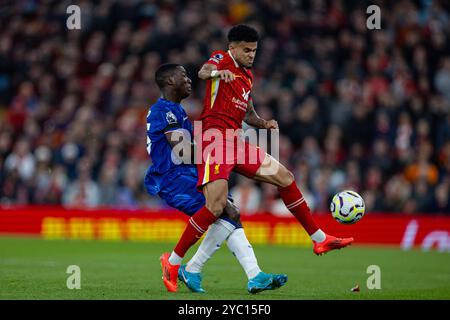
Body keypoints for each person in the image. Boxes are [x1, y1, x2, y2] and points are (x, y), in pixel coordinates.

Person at [160, 25, 354, 290]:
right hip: (213, 139)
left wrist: (264, 123)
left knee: (286, 178)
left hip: (237, 141)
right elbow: (203, 72)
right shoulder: (221, 59)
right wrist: (219, 72)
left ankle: (319, 238)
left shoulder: (247, 77)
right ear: (233, 47)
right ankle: (173, 261)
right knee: (216, 206)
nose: (252, 55)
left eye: (254, 50)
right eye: (247, 50)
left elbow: (248, 114)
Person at [145, 63, 287, 294]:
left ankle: (253, 275)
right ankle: (178, 264)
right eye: (183, 76)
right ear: (170, 81)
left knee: (229, 212)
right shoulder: (165, 111)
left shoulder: (177, 110)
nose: (189, 80)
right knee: (225, 211)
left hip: (189, 173)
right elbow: (182, 151)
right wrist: (219, 153)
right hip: (174, 178)